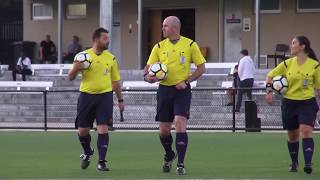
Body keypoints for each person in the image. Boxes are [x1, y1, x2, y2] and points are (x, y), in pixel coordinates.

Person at [144, 16, 206, 175]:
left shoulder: (190, 44)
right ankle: (169, 154)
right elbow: (147, 70)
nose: (162, 28)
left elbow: (201, 68)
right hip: (164, 90)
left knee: (179, 123)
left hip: (182, 91)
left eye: (165, 26)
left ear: (174, 27)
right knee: (164, 131)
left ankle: (180, 163)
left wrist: (187, 81)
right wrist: (149, 78)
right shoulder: (158, 46)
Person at [68, 28, 124, 171]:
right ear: (96, 39)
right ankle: (87, 152)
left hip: (104, 97)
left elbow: (116, 81)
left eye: (108, 38)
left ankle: (102, 162)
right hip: (86, 96)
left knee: (103, 129)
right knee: (82, 131)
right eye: (105, 38)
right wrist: (76, 68)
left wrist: (120, 100)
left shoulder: (111, 58)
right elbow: (70, 77)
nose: (108, 40)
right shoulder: (82, 56)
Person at [265, 36, 320, 174]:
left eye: (294, 43)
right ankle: (294, 163)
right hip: (289, 103)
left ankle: (308, 163)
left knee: (305, 131)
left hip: (307, 103)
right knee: (292, 135)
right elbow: (270, 76)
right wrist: (269, 91)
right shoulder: (287, 63)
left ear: (302, 46)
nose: (291, 45)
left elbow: (319, 88)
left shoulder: (315, 65)